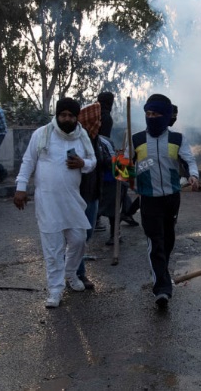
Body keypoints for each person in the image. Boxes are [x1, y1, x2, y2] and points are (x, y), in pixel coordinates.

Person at [13, 97, 97, 308]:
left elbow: (92, 161)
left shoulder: (82, 135)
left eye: (71, 115)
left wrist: (82, 163)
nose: (66, 119)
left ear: (76, 117)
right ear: (57, 115)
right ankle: (55, 290)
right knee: (53, 249)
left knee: (79, 239)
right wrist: (21, 187)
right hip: (48, 201)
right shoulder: (42, 134)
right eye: (63, 115)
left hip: (72, 201)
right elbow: (28, 161)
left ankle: (70, 274)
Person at [131, 94, 200, 309]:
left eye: (156, 114)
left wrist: (194, 175)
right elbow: (123, 168)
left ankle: (161, 272)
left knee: (168, 239)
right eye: (148, 114)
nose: (151, 118)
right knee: (156, 242)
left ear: (166, 115)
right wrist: (123, 171)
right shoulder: (136, 139)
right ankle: (161, 289)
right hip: (148, 199)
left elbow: (189, 160)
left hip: (171, 197)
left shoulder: (177, 139)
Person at [76, 102, 109, 290]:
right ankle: (77, 273)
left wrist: (117, 160)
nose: (99, 122)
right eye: (97, 119)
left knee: (86, 235)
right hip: (80, 194)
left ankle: (73, 268)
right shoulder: (78, 140)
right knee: (79, 236)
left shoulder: (96, 140)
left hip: (94, 193)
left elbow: (101, 162)